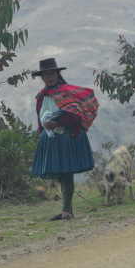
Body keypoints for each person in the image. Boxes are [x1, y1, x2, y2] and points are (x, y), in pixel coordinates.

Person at [30, 58, 99, 221]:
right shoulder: (42, 95)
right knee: (61, 174)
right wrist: (44, 133)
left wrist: (57, 123)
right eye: (46, 74)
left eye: (52, 73)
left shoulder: (65, 92)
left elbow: (76, 115)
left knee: (66, 173)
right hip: (51, 139)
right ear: (42, 77)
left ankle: (66, 211)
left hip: (68, 137)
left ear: (58, 74)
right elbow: (40, 117)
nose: (49, 76)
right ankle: (67, 210)